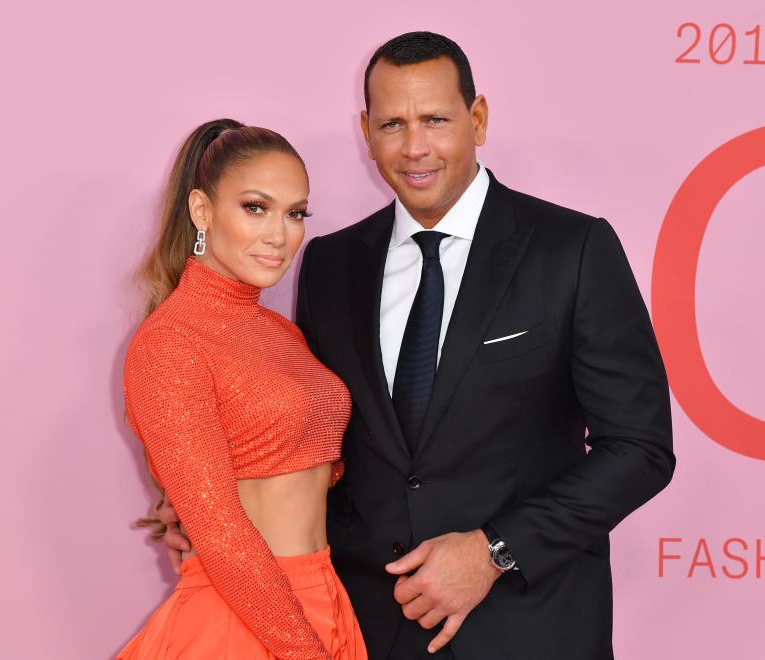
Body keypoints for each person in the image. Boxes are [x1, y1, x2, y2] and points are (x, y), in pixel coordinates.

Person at [160, 32, 674, 659]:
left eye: (435, 119)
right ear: (365, 131)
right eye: (392, 124)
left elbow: (641, 448)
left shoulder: (572, 250)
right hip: (364, 629)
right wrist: (201, 489)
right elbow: (321, 432)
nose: (415, 147)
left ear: (477, 119)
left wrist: (494, 551)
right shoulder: (330, 263)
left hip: (529, 628)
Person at [118, 118, 367, 659]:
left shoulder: (282, 333)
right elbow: (222, 532)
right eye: (256, 207)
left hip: (323, 599)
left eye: (295, 213)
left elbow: (308, 467)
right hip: (242, 620)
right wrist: (303, 652)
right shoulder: (169, 341)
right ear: (202, 211)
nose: (280, 235)